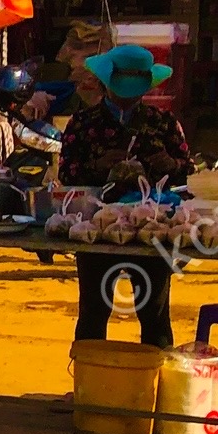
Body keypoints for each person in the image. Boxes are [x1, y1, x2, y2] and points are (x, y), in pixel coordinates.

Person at [59, 45, 186, 349]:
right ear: (105, 85)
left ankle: (154, 387)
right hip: (96, 229)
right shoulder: (83, 123)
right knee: (93, 310)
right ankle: (90, 384)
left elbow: (183, 171)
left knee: (154, 314)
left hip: (152, 229)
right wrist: (99, 166)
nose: (128, 97)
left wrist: (168, 165)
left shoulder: (164, 122)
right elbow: (67, 174)